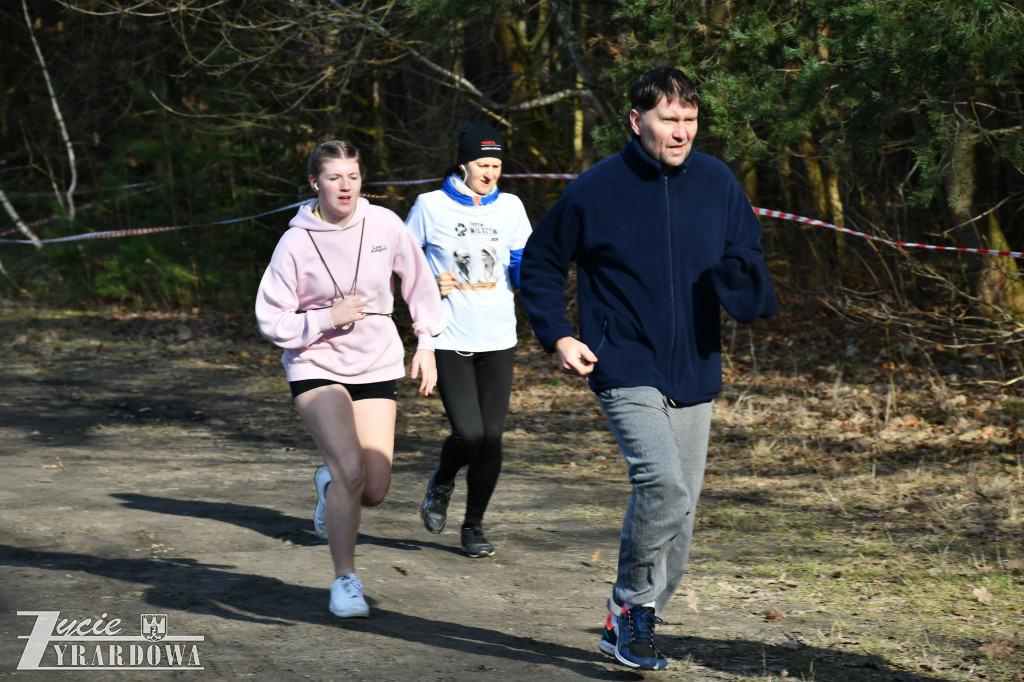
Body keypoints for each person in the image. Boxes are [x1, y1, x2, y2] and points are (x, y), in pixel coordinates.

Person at [519, 67, 778, 669]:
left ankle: (632, 620)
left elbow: (747, 247)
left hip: (696, 365)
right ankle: (632, 606)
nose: (682, 132)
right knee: (660, 484)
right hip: (622, 358)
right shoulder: (595, 189)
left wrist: (742, 278)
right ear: (637, 122)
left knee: (681, 518)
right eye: (670, 120)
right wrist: (557, 333)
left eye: (690, 120)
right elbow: (540, 263)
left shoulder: (717, 181)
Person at [255, 140, 446, 618]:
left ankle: (328, 484)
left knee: (375, 488)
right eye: (334, 177)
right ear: (314, 184)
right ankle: (345, 580)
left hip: (377, 361)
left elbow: (419, 282)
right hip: (315, 362)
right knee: (351, 469)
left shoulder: (384, 224)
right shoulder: (295, 241)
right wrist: (323, 318)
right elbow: (270, 318)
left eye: (353, 177)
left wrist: (426, 342)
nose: (345, 186)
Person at [404, 120, 532, 557]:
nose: (490, 172)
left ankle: (473, 526)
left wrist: (535, 273)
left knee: (492, 438)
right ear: (463, 162)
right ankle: (442, 480)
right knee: (470, 434)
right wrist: (425, 281)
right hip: (450, 337)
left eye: (496, 164)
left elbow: (522, 264)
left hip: (499, 337)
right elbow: (400, 262)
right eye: (482, 163)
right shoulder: (429, 205)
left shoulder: (511, 207)